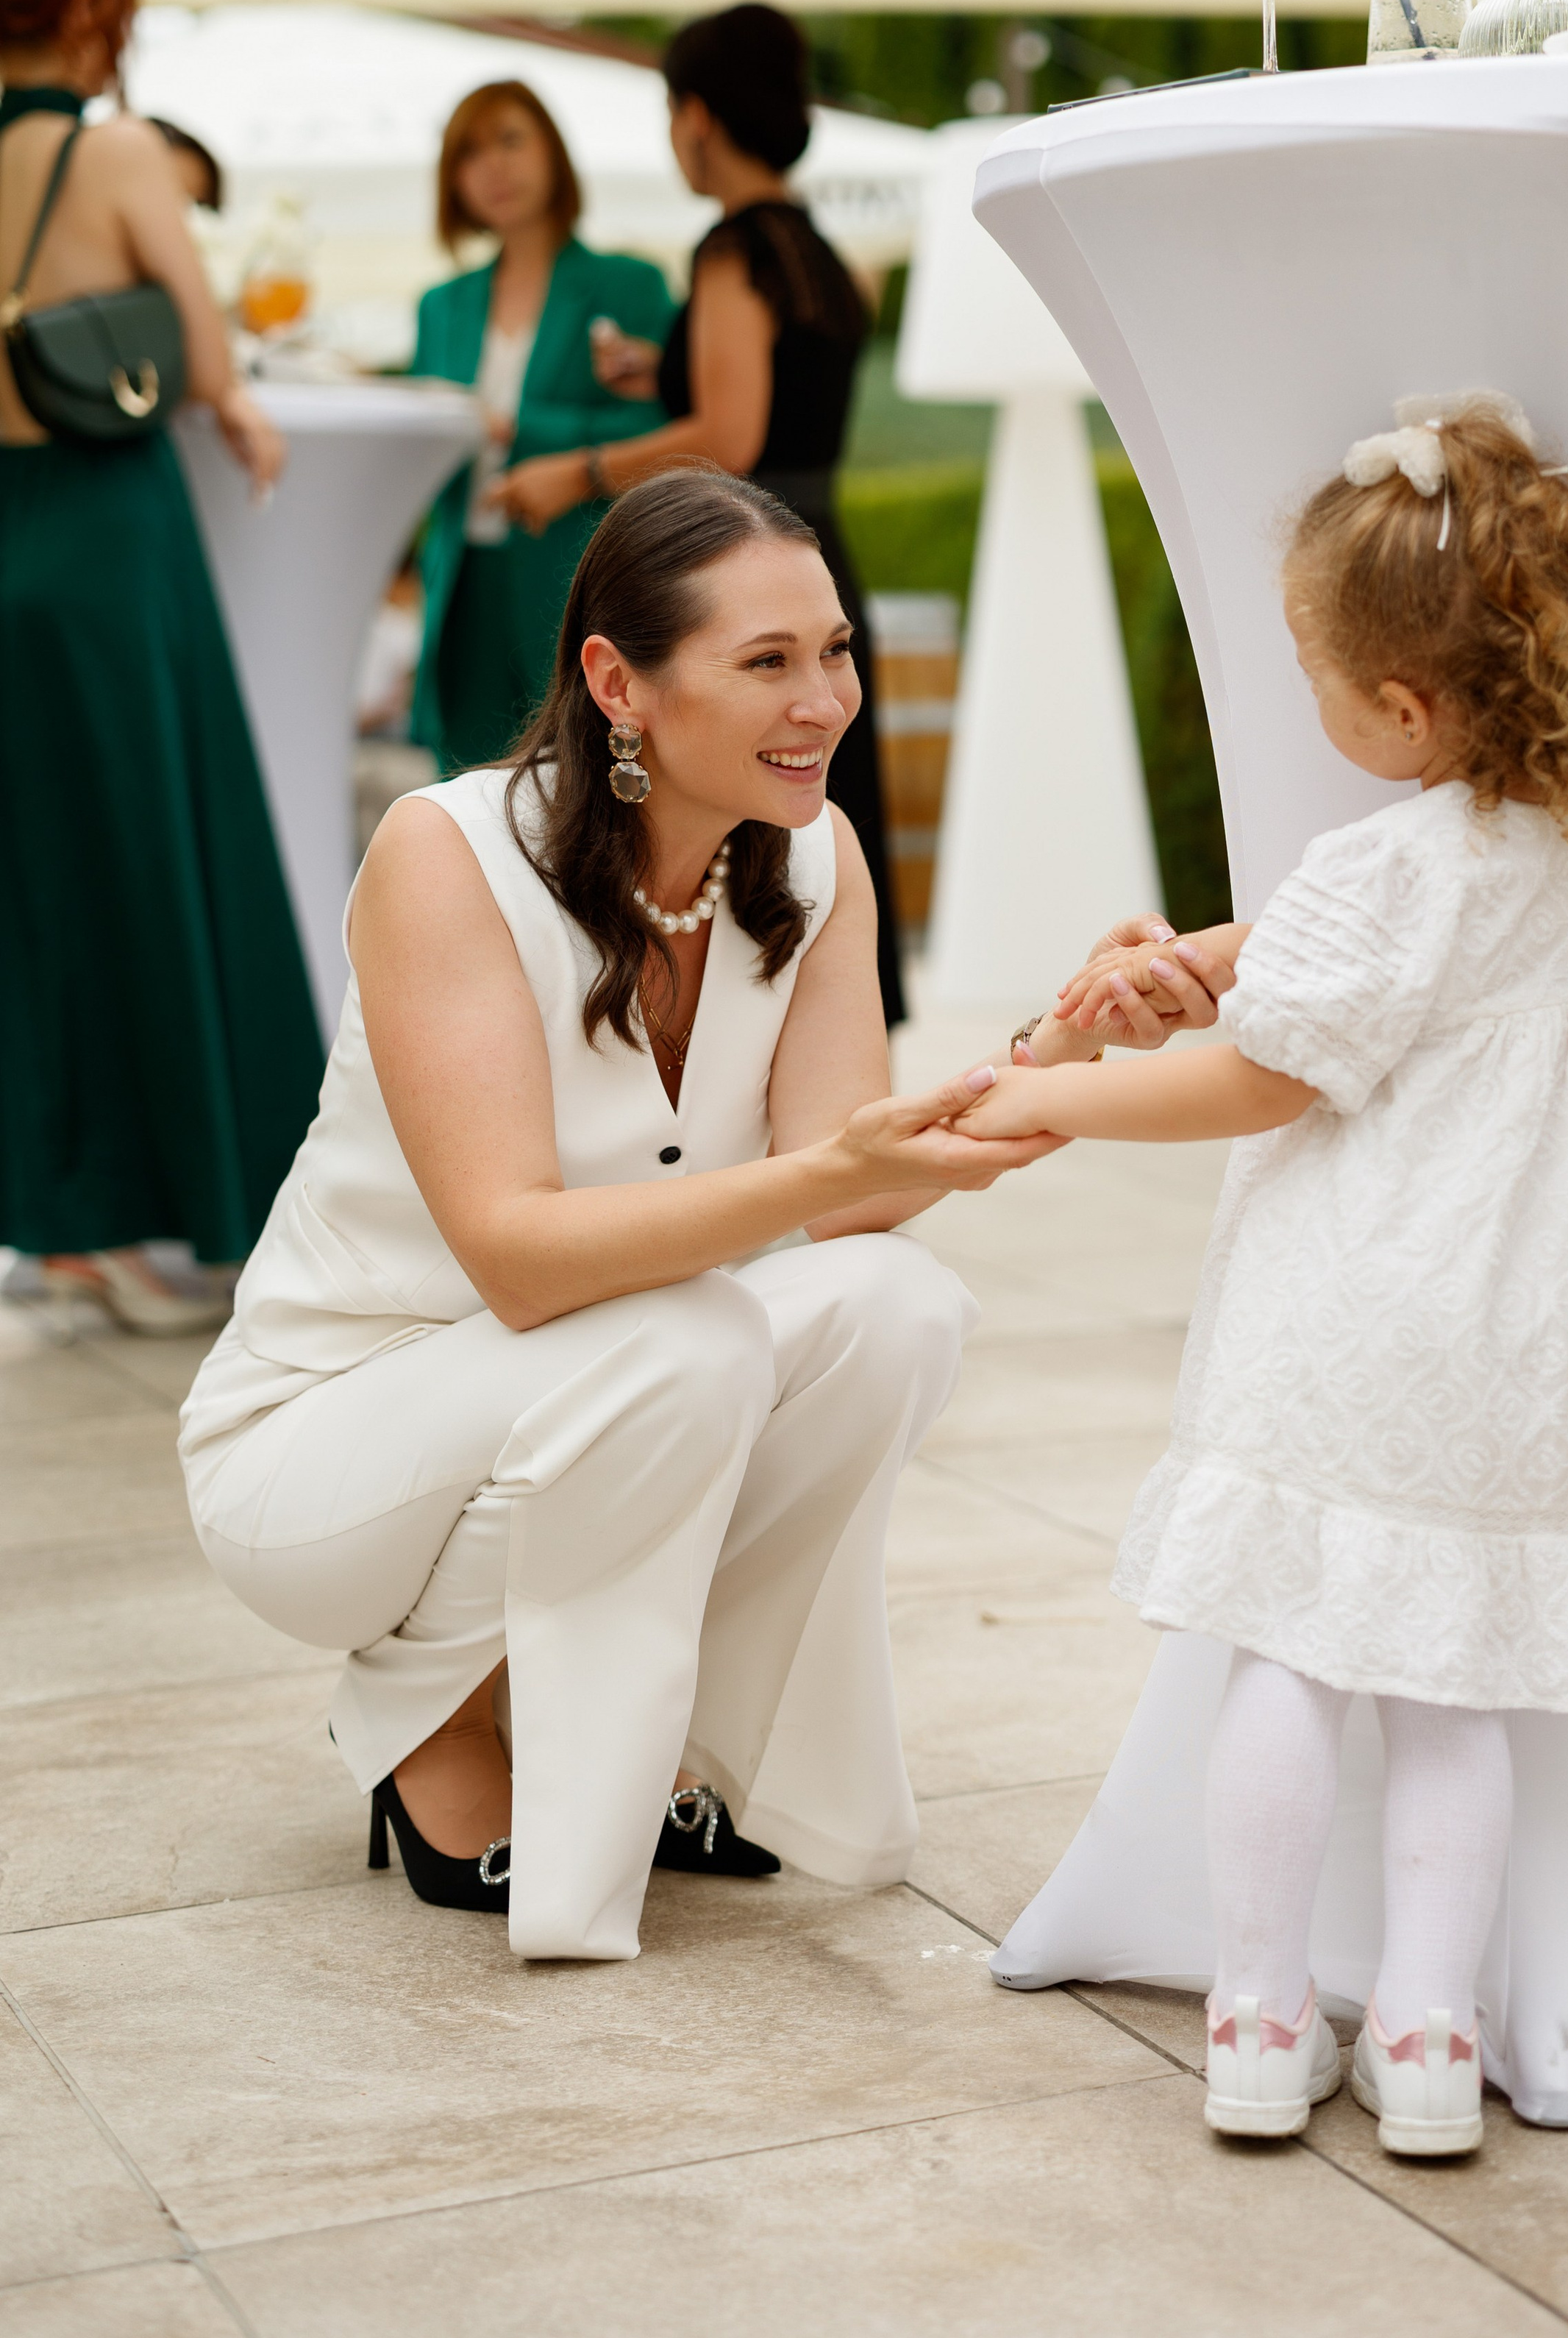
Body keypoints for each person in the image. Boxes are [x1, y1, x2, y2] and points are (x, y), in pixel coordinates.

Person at [177, 465, 1155, 1961]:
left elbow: (851, 1192)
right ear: (615, 682)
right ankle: (433, 1712)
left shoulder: (811, 859)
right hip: (329, 1449)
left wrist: (1055, 1051)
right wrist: (827, 1175)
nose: (822, 699)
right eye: (764, 662)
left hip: (582, 1388)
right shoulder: (447, 856)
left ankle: (627, 1729)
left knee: (893, 1312)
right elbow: (513, 1260)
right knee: (690, 1343)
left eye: (832, 650)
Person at [947, 395, 1568, 2158]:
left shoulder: (1372, 863)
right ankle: (1422, 2030)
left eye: (1315, 671)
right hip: (1522, 1343)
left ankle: (1255, 2016)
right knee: (1446, 1697)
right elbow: (1394, 952)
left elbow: (1265, 1070)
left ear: (1397, 708)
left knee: (1287, 1670)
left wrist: (1049, 1094)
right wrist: (1206, 953)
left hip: (1362, 1326)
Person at [0, 0, 322, 1335]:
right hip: (111, 534)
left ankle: (64, 1218)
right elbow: (206, 359)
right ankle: (203, 1207)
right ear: (75, 13)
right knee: (166, 857)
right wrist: (245, 414)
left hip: (7, 538)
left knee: (38, 881)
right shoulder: (115, 154)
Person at [488, 5, 906, 1028]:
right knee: (831, 815)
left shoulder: (732, 250)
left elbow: (729, 432)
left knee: (754, 815)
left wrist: (575, 470)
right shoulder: (813, 250)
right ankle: (839, 1030)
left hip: (746, 574)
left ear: (699, 119)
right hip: (819, 561)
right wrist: (651, 368)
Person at [410, 79, 674, 775]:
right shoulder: (441, 306)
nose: (493, 166)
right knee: (464, 791)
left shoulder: (629, 285)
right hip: (463, 574)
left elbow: (661, 426)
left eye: (510, 140)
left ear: (552, 153)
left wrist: (516, 427)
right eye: (469, 152)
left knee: (582, 787)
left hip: (575, 571)